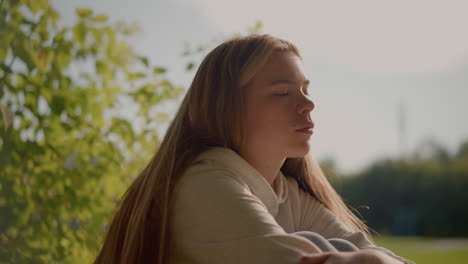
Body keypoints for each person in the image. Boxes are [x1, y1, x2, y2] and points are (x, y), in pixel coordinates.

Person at [93, 34, 414, 264]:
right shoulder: (204, 186)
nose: (308, 103)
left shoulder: (284, 193)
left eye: (305, 89)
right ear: (224, 108)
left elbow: (363, 248)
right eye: (282, 93)